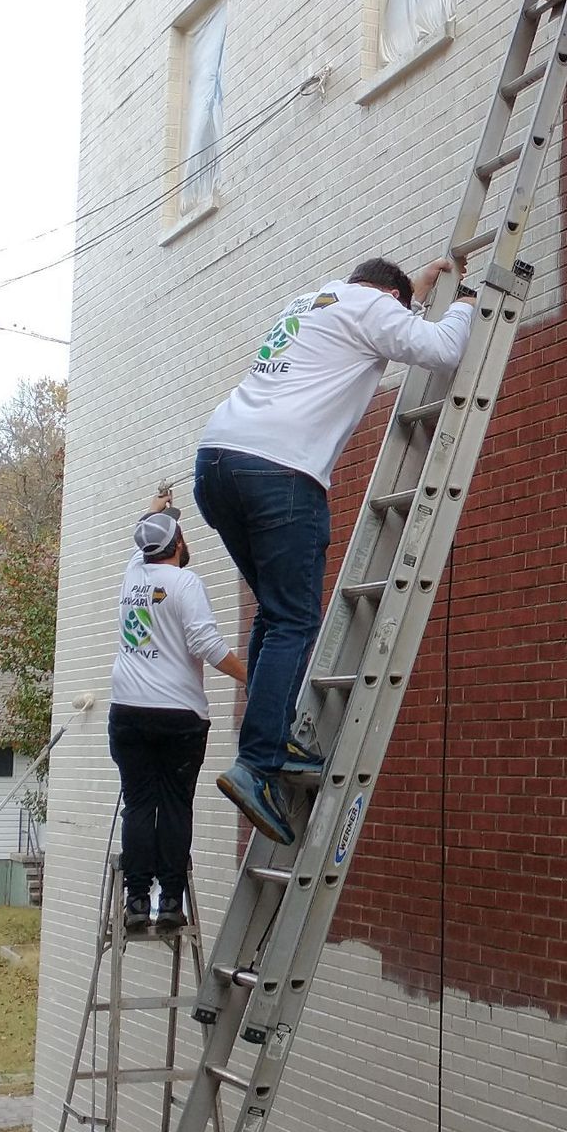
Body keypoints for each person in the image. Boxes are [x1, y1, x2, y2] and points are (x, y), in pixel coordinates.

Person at [194, 256, 477, 846]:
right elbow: (444, 350)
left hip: (218, 463)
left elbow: (381, 313)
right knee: (295, 619)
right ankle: (258, 762)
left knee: (276, 612)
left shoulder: (313, 300)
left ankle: (270, 739)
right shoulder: (375, 308)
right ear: (393, 298)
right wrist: (466, 303)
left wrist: (415, 291)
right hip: (280, 471)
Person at [110, 501, 248, 934]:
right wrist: (251, 677)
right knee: (173, 806)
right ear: (179, 545)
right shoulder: (186, 583)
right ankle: (170, 900)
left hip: (128, 712)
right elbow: (205, 642)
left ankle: (135, 901)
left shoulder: (134, 574)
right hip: (178, 716)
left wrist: (154, 510)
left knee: (138, 804)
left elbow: (142, 538)